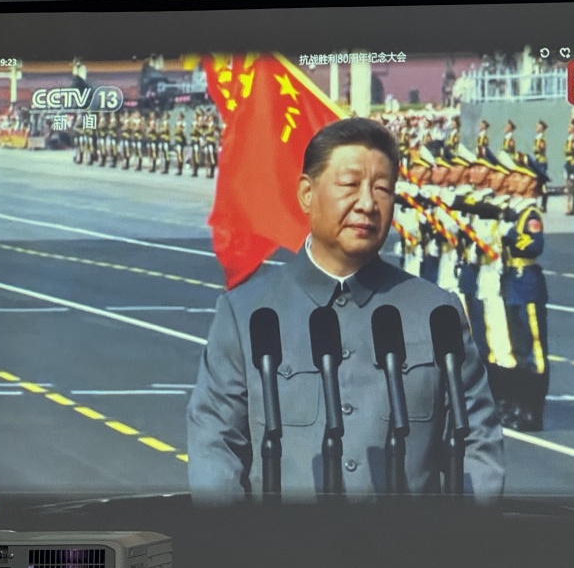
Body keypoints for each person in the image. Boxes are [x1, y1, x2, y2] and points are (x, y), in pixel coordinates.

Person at [187, 118, 505, 503]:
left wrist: (465, 531)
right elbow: (216, 447)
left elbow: (477, 442)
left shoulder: (437, 313)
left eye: (382, 189)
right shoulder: (246, 315)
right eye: (350, 185)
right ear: (307, 194)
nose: (368, 204)